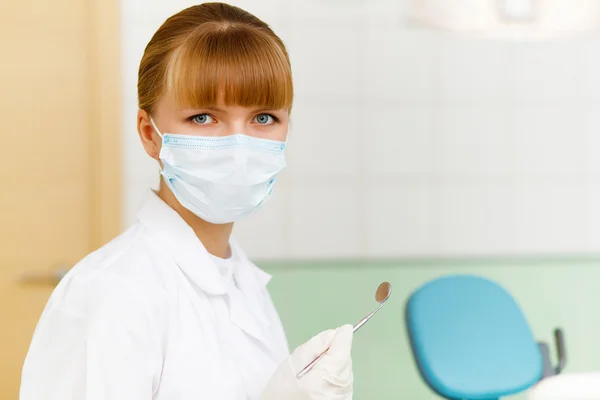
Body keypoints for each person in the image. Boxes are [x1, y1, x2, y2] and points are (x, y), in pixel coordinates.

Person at [19, 3, 354, 400]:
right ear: (150, 133)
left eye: (263, 118)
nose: (238, 145)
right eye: (203, 117)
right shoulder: (112, 293)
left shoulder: (240, 281)